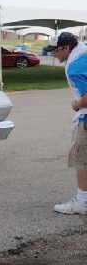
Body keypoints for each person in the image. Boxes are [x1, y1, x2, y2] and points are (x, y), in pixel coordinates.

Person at [44, 32, 87, 214]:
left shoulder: (75, 68)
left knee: (81, 158)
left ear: (66, 48)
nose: (53, 54)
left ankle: (82, 202)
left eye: (55, 51)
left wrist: (76, 105)